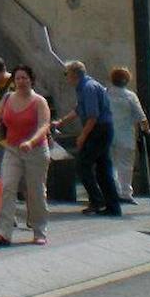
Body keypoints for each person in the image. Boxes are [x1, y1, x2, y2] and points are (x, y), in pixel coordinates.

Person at [0, 64, 52, 246]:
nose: (21, 81)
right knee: (7, 187)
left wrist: (31, 142)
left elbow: (44, 125)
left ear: (31, 80)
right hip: (12, 150)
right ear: (13, 81)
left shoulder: (39, 101)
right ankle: (3, 232)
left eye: (24, 78)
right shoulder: (7, 98)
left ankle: (39, 231)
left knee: (35, 191)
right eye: (17, 78)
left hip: (36, 151)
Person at [52, 60, 122, 216]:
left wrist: (83, 135)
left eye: (67, 74)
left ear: (74, 74)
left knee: (83, 165)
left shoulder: (88, 88)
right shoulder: (85, 87)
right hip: (102, 129)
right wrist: (61, 122)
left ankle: (97, 201)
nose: (66, 77)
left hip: (99, 130)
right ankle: (112, 206)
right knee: (103, 168)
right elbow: (79, 109)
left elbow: (92, 116)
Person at [107, 67, 150, 204]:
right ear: (126, 81)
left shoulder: (105, 93)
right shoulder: (130, 96)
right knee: (125, 164)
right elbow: (141, 116)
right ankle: (125, 193)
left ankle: (114, 191)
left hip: (108, 134)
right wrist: (147, 130)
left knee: (111, 164)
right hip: (125, 136)